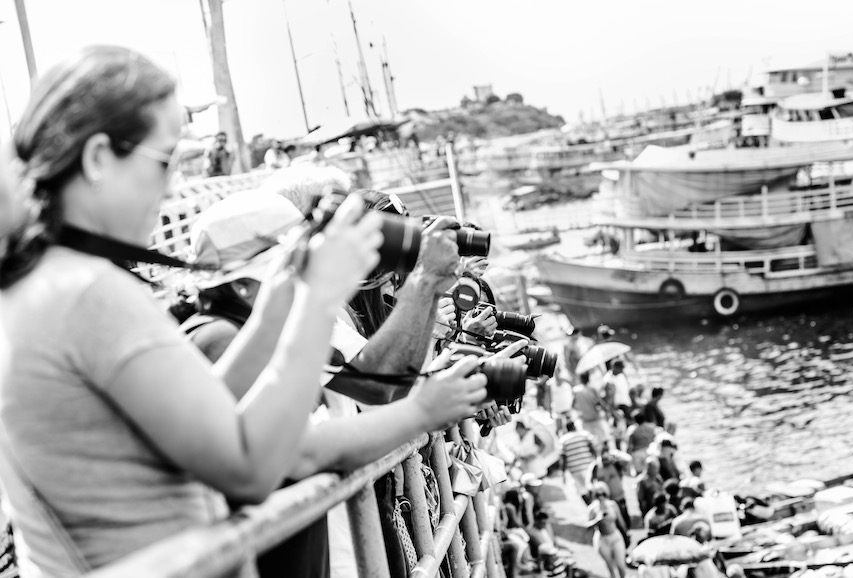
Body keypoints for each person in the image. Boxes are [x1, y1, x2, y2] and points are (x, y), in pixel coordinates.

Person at [0, 46, 486, 575]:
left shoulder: (44, 283)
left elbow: (207, 410)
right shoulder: (87, 293)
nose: (170, 186)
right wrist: (320, 301)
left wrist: (276, 308)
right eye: (164, 161)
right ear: (97, 158)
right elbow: (249, 465)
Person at [179, 190, 487, 577]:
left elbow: (380, 382)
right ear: (242, 285)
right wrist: (423, 412)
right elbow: (364, 401)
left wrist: (431, 282)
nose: (319, 268)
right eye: (300, 261)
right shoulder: (220, 339)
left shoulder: (280, 324)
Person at [587, 482, 628, 578]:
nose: (601, 496)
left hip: (615, 536)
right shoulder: (592, 509)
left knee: (621, 565)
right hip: (602, 539)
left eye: (603, 494)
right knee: (610, 567)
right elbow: (587, 527)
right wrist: (597, 520)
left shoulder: (612, 504)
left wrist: (626, 534)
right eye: (598, 494)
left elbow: (621, 521)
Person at [587, 451, 629, 527]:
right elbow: (590, 482)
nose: (605, 461)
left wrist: (615, 454)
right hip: (607, 500)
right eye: (603, 458)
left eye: (607, 458)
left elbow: (628, 460)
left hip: (619, 497)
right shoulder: (596, 467)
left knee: (624, 519)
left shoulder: (616, 464)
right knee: (614, 522)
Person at [559, 422, 595, 504]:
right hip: (588, 466)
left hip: (575, 469)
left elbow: (563, 458)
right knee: (591, 486)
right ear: (574, 426)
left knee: (582, 490)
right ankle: (594, 505)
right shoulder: (584, 435)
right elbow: (592, 448)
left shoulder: (563, 440)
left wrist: (563, 473)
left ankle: (590, 505)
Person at [572, 375, 609, 453]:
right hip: (595, 418)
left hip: (584, 419)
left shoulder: (576, 390)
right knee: (603, 439)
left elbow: (573, 405)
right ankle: (606, 455)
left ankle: (595, 456)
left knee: (588, 442)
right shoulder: (592, 389)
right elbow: (599, 403)